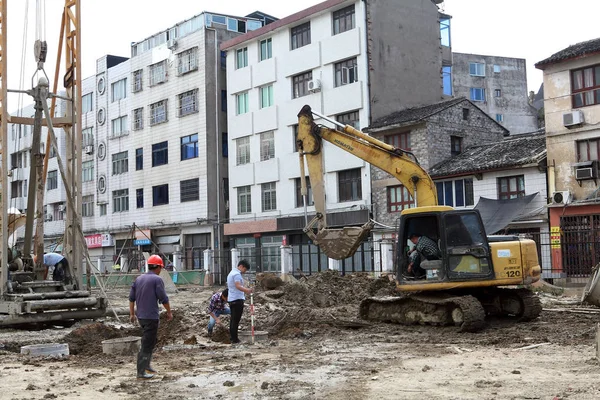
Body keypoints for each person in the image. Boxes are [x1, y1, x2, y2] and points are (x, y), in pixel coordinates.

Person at [129, 254, 173, 380]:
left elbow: (131, 299)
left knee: (150, 342)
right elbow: (163, 298)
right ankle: (141, 371)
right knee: (147, 344)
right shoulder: (157, 280)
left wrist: (132, 314)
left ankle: (147, 365)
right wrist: (169, 312)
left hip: (141, 316)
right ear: (158, 267)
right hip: (151, 317)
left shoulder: (138, 279)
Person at [226, 259, 253, 344]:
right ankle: (235, 339)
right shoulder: (237, 274)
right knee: (235, 320)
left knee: (233, 320)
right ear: (241, 266)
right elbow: (238, 286)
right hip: (237, 299)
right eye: (245, 269)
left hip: (232, 299)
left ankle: (233, 338)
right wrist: (247, 290)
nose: (244, 272)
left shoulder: (231, 273)